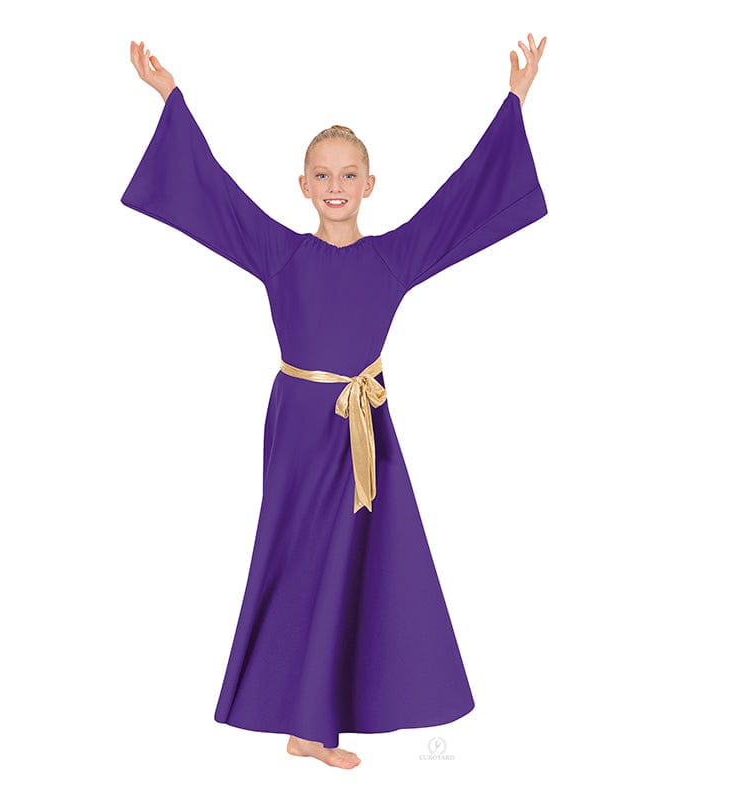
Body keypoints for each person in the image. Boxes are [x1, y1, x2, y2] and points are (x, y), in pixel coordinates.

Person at [122, 33, 547, 770]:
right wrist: (169, 97)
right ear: (303, 184)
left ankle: (314, 728)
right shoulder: (282, 254)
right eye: (322, 174)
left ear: (370, 184)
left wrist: (516, 100)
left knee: (357, 565)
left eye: (349, 174)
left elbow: (461, 199)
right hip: (298, 430)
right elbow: (216, 194)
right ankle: (303, 724)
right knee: (299, 561)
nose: (336, 185)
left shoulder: (393, 258)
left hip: (364, 431)